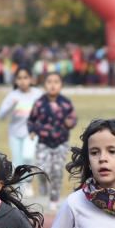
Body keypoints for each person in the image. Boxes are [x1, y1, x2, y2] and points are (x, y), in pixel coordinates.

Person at [27, 71, 77, 212]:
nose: (52, 85)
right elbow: (31, 119)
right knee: (43, 169)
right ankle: (42, 182)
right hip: (43, 142)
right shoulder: (39, 103)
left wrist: (70, 123)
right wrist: (31, 130)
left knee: (57, 171)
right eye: (49, 82)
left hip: (61, 142)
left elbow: (73, 118)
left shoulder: (65, 103)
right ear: (44, 85)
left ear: (61, 85)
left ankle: (54, 199)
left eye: (56, 82)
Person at [0, 67, 43, 194]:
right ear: (15, 80)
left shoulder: (38, 94)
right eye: (19, 78)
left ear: (31, 79)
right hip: (15, 134)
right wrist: (11, 106)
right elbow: (0, 116)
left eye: (25, 78)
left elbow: (44, 112)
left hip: (31, 133)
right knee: (17, 162)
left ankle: (28, 183)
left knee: (28, 156)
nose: (22, 81)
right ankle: (20, 189)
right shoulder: (13, 96)